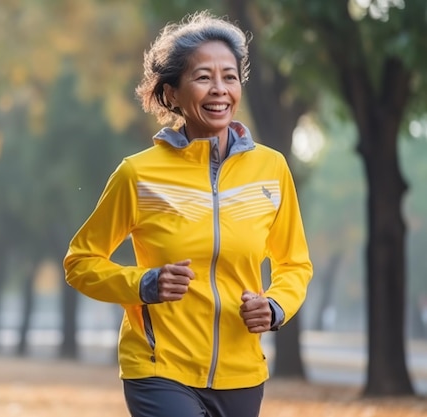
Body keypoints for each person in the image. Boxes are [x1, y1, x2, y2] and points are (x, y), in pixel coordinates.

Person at [63, 10, 313, 417]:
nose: (219, 90)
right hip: (160, 368)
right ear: (173, 93)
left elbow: (294, 263)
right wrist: (143, 284)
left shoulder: (272, 170)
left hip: (242, 373)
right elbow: (80, 262)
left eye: (229, 77)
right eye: (203, 77)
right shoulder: (138, 174)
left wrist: (274, 307)